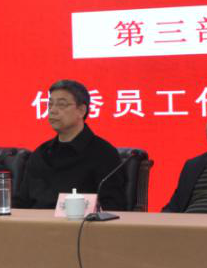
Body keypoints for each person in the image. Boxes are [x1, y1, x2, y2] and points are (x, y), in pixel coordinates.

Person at [14, 79, 126, 211]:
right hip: (34, 223)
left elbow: (113, 207)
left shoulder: (104, 154)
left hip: (79, 223)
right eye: (50, 104)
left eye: (61, 105)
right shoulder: (41, 154)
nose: (53, 110)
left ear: (81, 110)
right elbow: (21, 202)